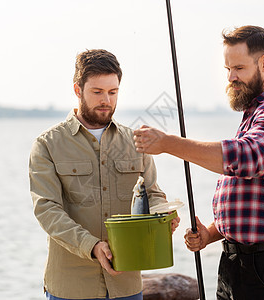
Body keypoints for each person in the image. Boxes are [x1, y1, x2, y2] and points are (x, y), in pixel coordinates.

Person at [133, 26, 264, 299]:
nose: (231, 77)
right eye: (227, 69)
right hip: (236, 264)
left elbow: (249, 158)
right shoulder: (255, 114)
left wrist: (169, 143)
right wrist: (211, 234)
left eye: (238, 67)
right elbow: (257, 201)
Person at [29, 49, 179, 300]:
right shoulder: (47, 145)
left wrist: (163, 215)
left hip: (127, 286)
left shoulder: (136, 142)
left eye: (113, 92)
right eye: (97, 92)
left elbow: (152, 194)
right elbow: (47, 210)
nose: (106, 100)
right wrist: (92, 246)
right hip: (70, 288)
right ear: (78, 90)